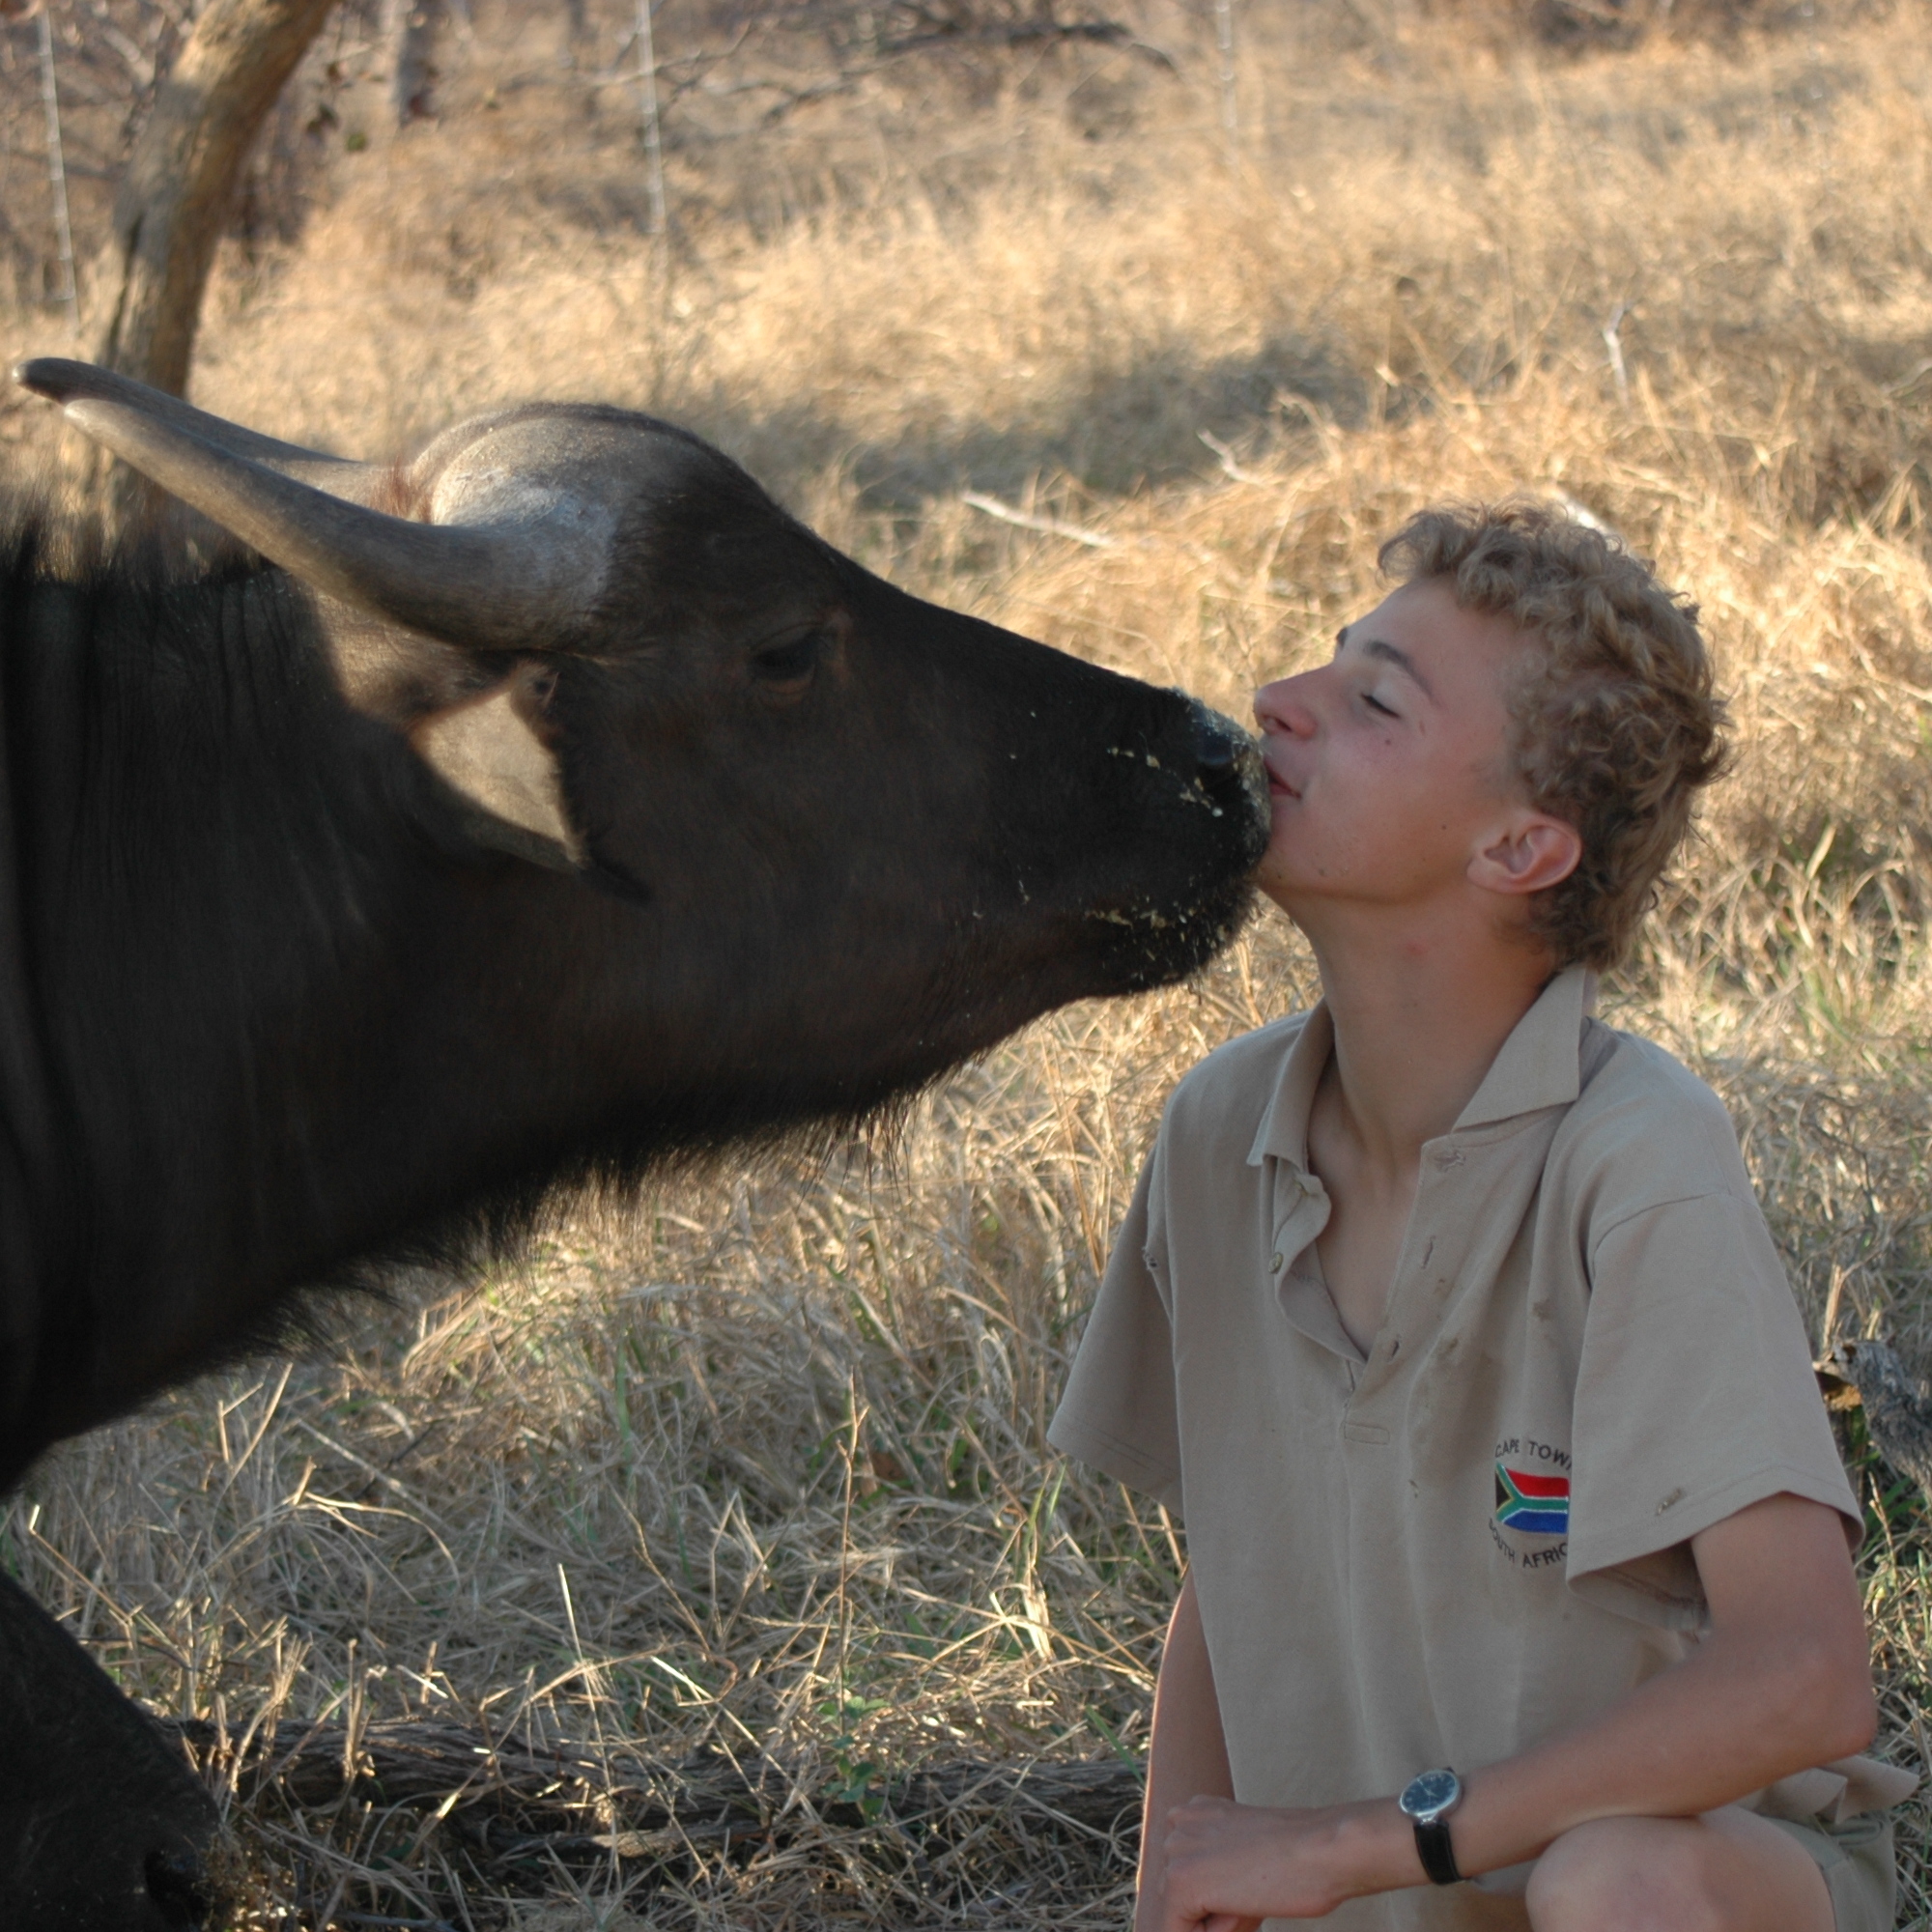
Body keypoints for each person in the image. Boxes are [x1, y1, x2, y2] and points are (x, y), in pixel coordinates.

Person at [1046, 501, 1914, 1932]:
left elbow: (1805, 1680)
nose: (1279, 701)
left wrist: (1358, 1847)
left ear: (1519, 849)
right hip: (1383, 1898)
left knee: (1611, 1881)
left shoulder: (1638, 1158)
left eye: (1375, 700)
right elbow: (1232, 1584)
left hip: (1679, 1892)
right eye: (1326, 662)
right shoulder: (1217, 1129)